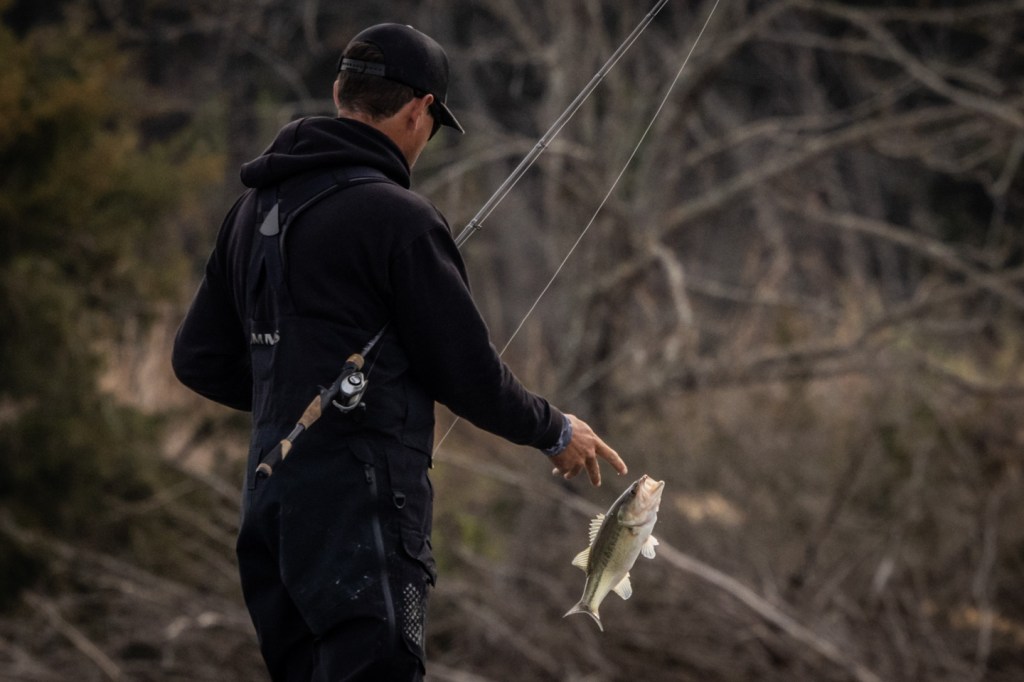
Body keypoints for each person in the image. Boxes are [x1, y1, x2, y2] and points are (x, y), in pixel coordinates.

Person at [172, 22, 626, 682]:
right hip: (362, 518)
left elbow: (196, 360)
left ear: (340, 92)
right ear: (419, 110)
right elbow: (468, 374)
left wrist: (296, 392)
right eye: (434, 124)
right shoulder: (399, 218)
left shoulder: (249, 212)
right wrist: (554, 430)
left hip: (268, 514)